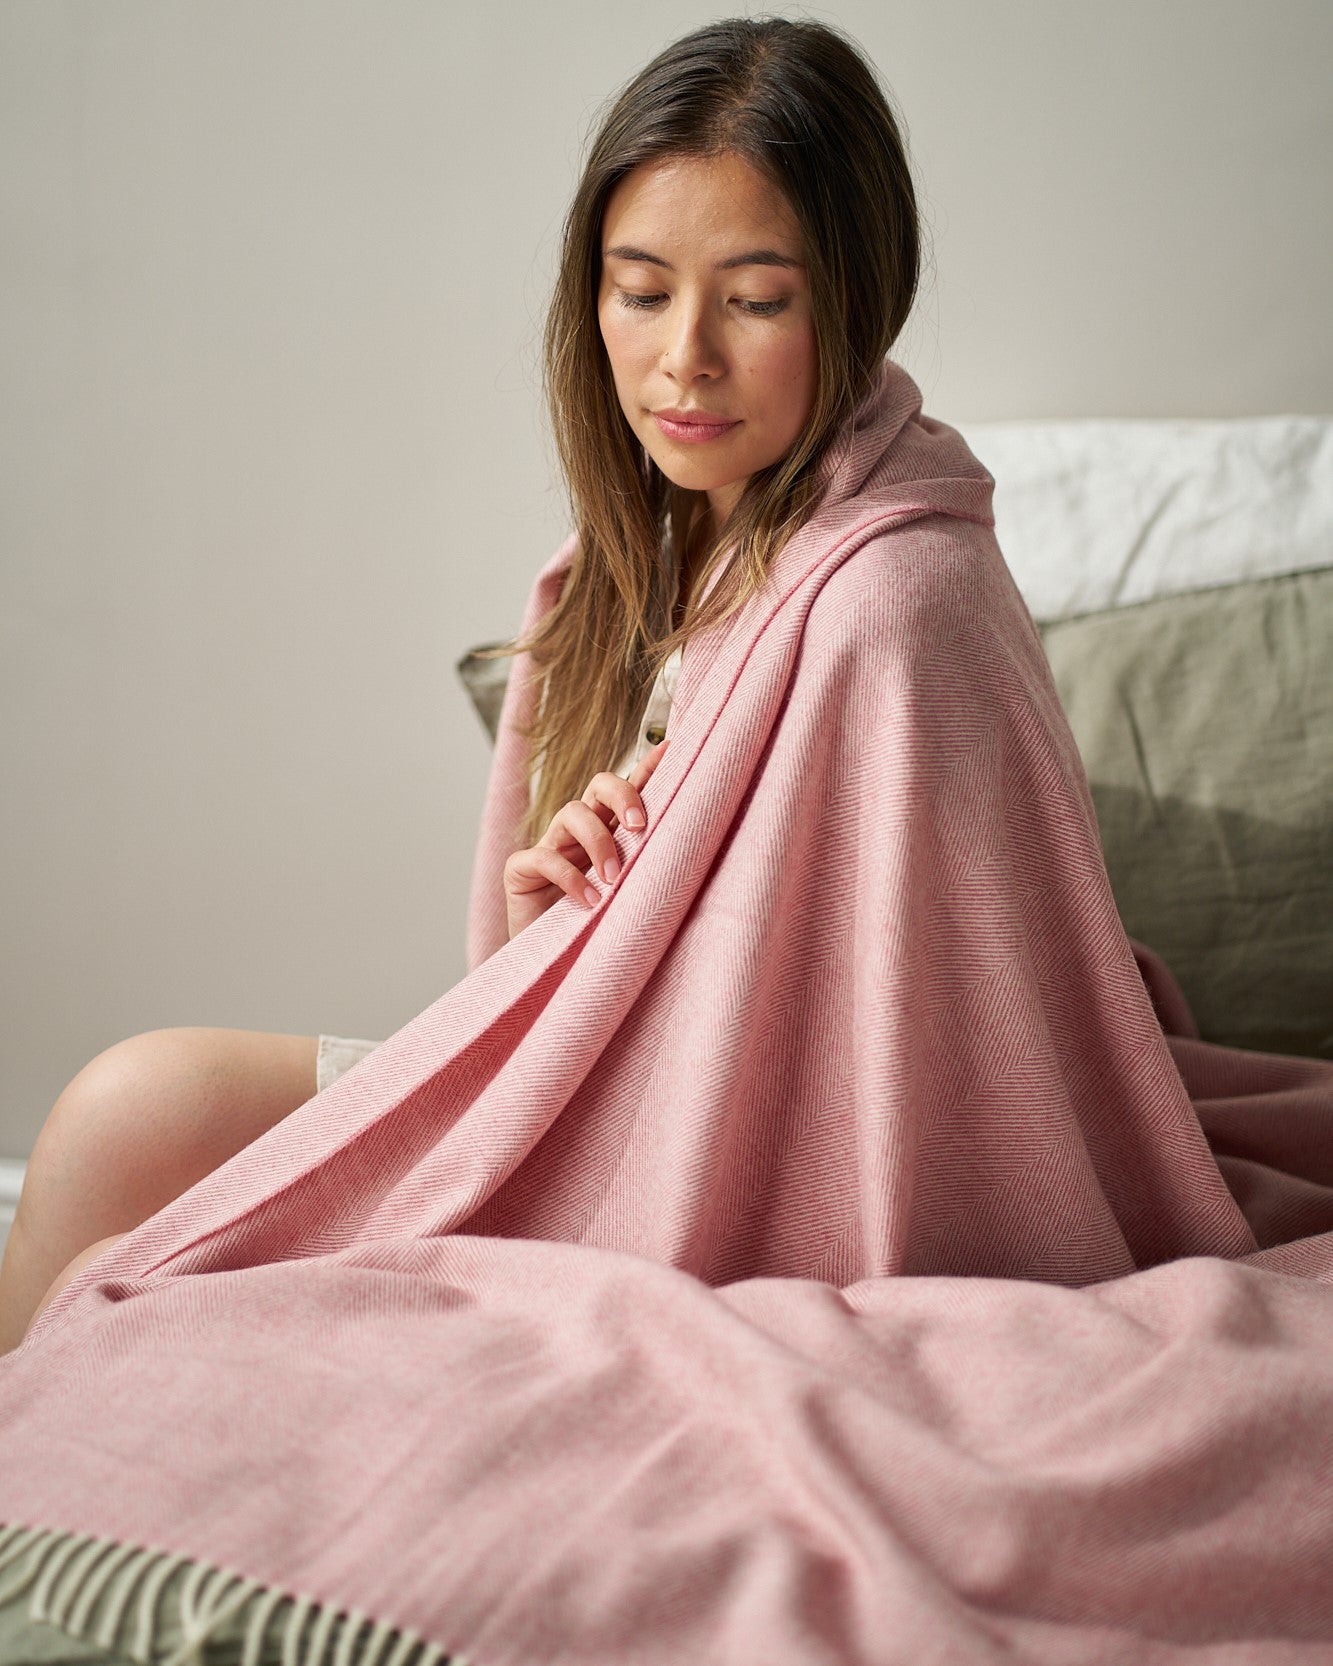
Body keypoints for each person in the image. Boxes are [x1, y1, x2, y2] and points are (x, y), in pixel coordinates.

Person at [0, 15, 928, 1351]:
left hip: (693, 1160)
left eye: (756, 298)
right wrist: (555, 923)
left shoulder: (888, 604)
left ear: (857, 293)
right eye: (641, 289)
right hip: (573, 1082)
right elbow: (542, 989)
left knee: (129, 1276)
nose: (685, 354)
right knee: (122, 1112)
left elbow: (875, 1072)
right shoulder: (629, 564)